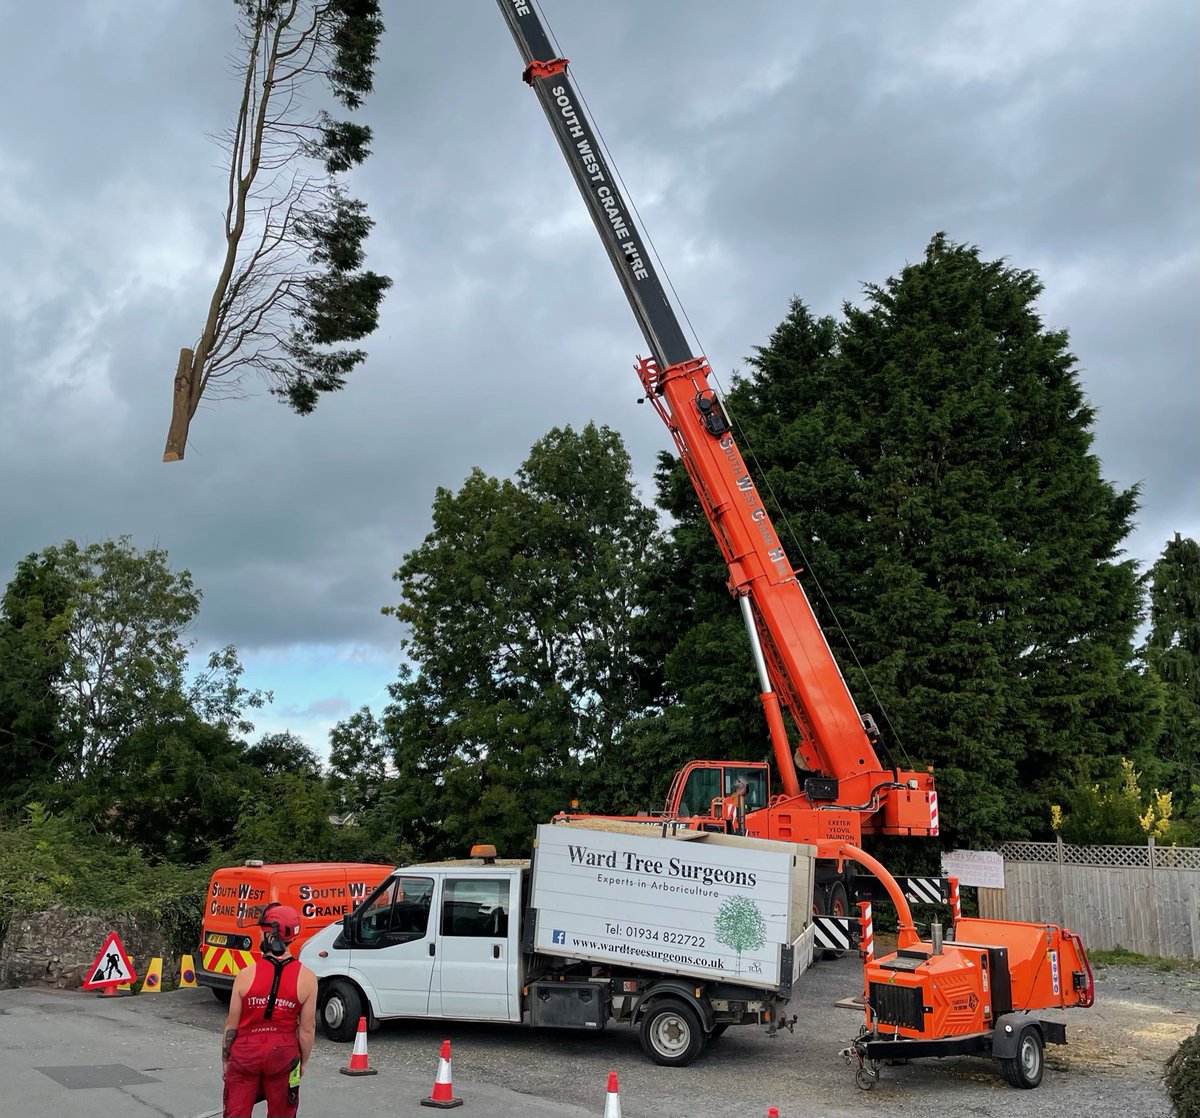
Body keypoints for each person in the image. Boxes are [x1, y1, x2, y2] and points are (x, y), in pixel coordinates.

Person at [221, 902, 317, 1118]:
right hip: (284, 1054)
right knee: (283, 1112)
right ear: (294, 934)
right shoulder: (308, 979)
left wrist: (226, 1060)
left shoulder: (245, 974)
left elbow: (231, 1025)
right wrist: (303, 1062)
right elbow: (307, 1030)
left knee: (236, 1112)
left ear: (267, 934)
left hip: (245, 1053)